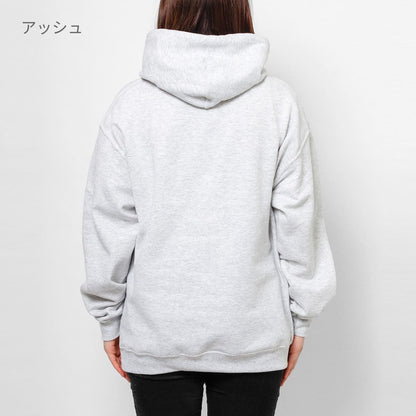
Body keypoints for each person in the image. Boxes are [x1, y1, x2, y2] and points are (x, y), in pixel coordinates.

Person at [79, 0, 337, 415]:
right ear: (240, 11)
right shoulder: (278, 103)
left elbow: (109, 222)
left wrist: (108, 316)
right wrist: (302, 316)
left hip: (156, 333)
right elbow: (298, 219)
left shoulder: (131, 105)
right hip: (252, 335)